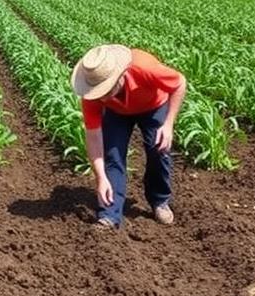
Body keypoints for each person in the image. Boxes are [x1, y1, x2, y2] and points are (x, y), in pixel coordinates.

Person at [71, 44, 186, 229]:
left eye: (106, 90)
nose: (103, 97)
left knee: (159, 149)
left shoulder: (144, 69)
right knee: (112, 156)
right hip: (117, 114)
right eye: (100, 92)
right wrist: (100, 177)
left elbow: (179, 83)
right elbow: (93, 138)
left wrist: (168, 124)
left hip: (153, 105)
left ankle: (160, 201)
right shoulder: (93, 96)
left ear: (120, 76)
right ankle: (110, 214)